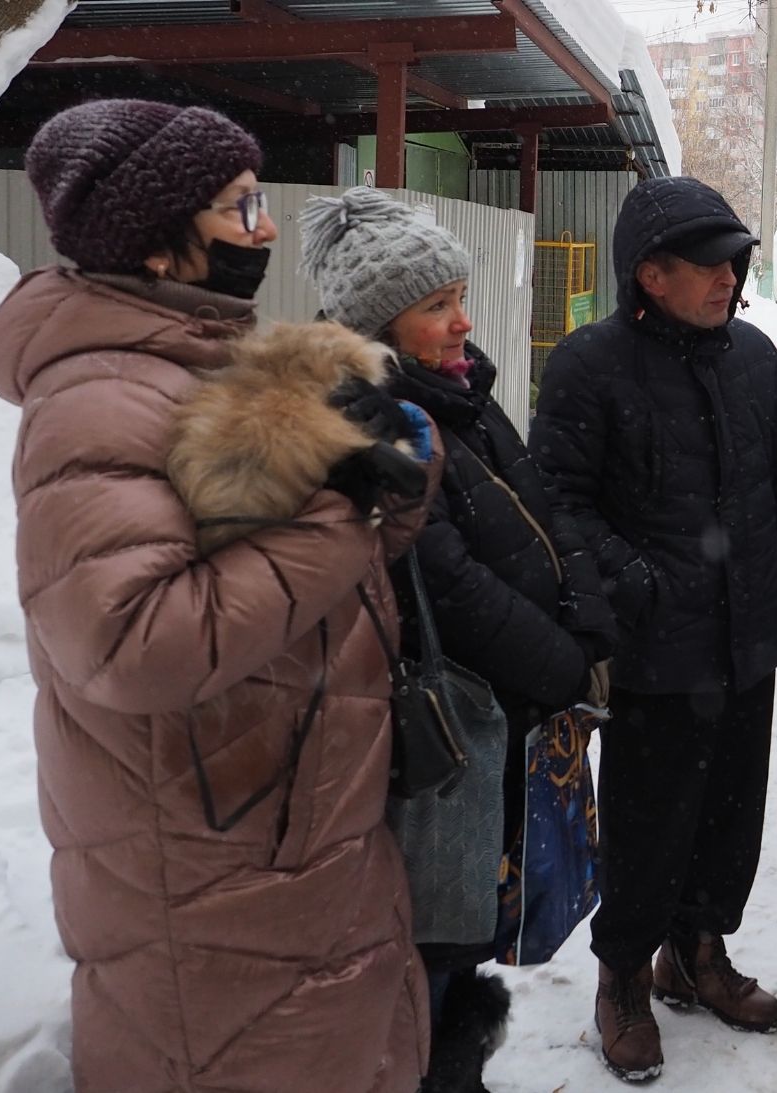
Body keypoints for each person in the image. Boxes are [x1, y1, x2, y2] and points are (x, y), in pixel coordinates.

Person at [0, 100, 437, 1092]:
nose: (267, 228)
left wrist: (392, 477)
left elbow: (325, 560)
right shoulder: (96, 401)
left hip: (282, 849)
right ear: (155, 248)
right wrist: (334, 512)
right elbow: (132, 641)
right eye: (240, 208)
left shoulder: (209, 364)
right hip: (210, 889)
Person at [299, 186, 616, 1092]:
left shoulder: (459, 389)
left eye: (458, 297)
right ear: (378, 320)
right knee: (434, 919)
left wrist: (585, 610)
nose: (461, 322)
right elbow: (444, 580)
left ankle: (453, 1068)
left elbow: (543, 508)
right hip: (447, 727)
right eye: (436, 306)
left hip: (498, 713)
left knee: (470, 910)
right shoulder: (371, 419)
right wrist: (560, 663)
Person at [530, 176, 777, 1083]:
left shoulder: (755, 359)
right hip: (657, 653)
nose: (732, 278)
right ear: (650, 274)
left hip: (747, 643)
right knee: (650, 828)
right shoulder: (590, 364)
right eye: (712, 264)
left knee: (733, 817)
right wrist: (639, 583)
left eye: (738, 262)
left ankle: (698, 953)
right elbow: (561, 507)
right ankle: (623, 981)